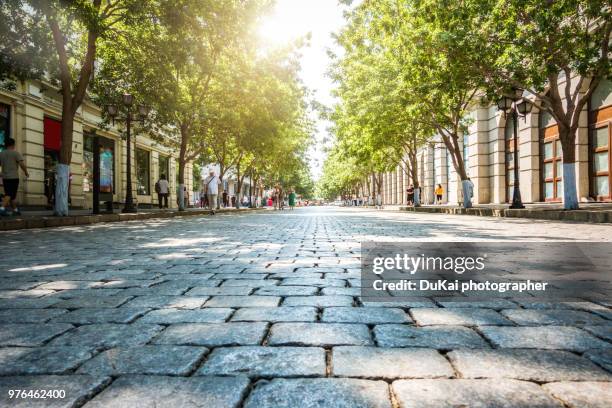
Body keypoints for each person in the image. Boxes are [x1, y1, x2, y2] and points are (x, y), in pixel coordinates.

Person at [0, 138, 29, 216]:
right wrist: (26, 172)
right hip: (13, 177)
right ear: (13, 145)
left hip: (5, 178)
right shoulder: (15, 153)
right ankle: (1, 208)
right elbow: (22, 164)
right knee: (10, 194)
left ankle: (15, 210)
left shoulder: (1, 154)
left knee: (11, 195)